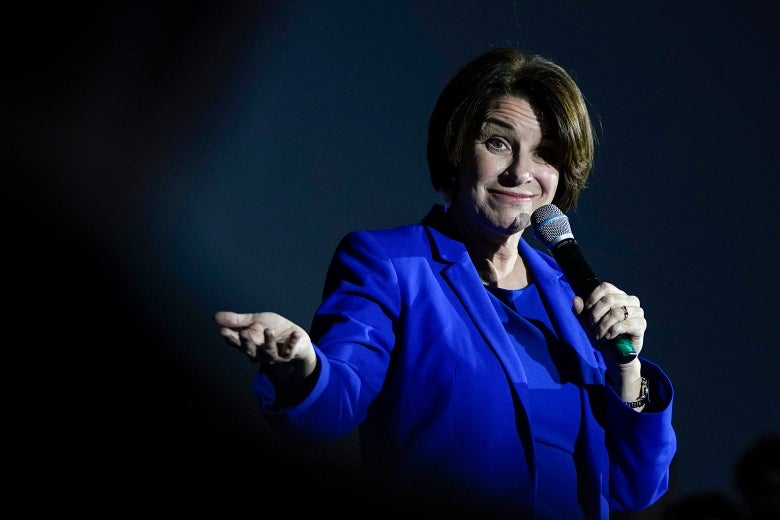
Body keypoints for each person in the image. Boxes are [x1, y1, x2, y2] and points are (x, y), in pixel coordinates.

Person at [214, 47, 676, 519]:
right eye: (498, 143)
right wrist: (300, 367)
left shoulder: (571, 295)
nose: (521, 172)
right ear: (457, 147)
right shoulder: (391, 265)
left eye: (545, 154)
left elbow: (636, 486)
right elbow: (332, 404)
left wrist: (627, 371)